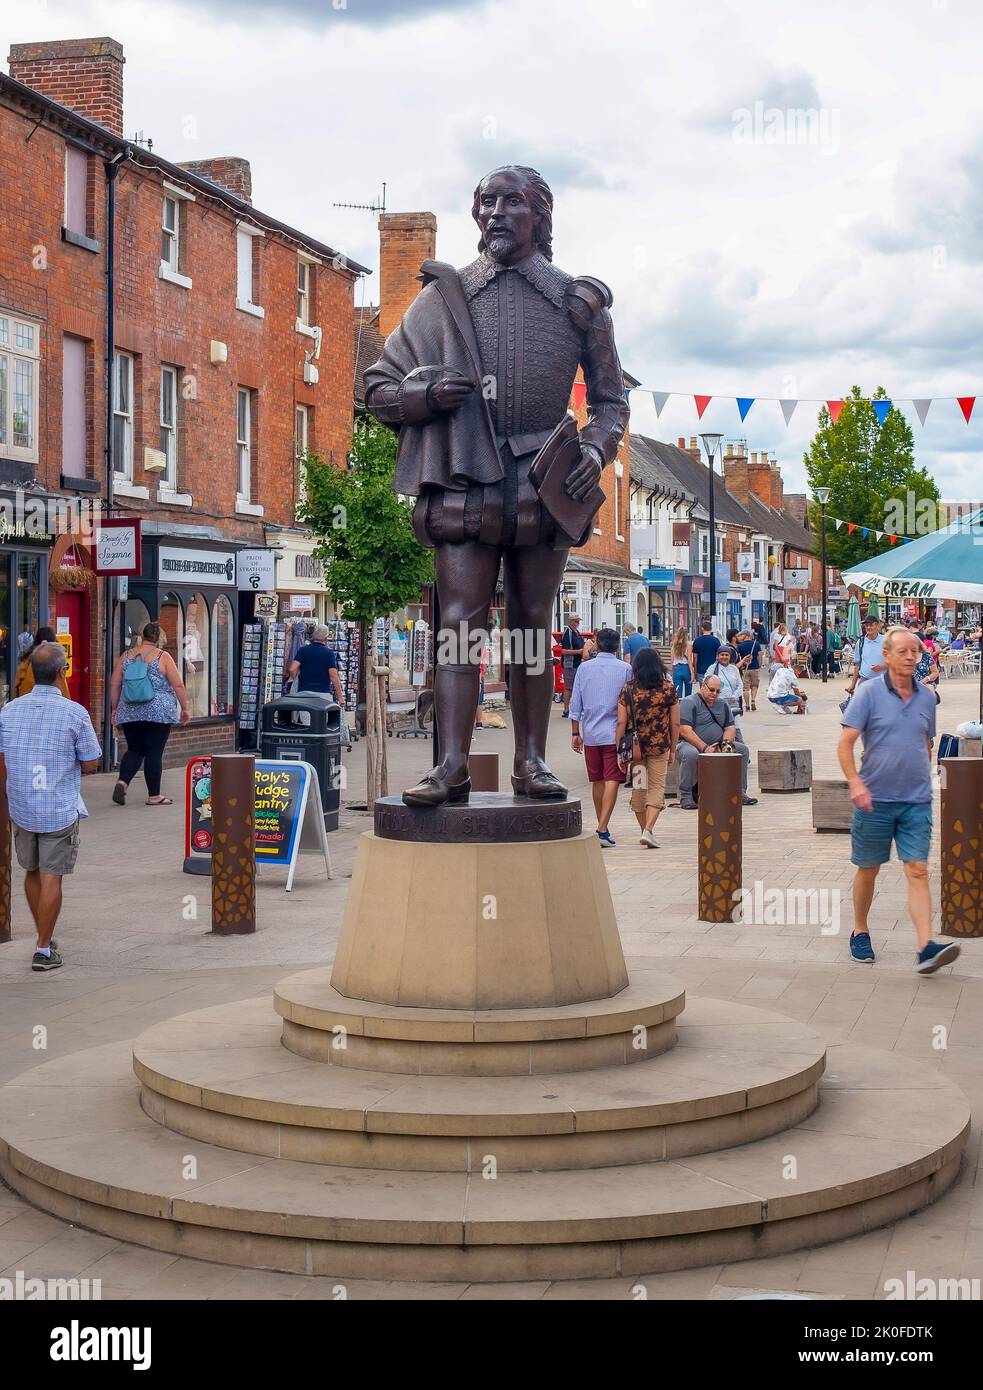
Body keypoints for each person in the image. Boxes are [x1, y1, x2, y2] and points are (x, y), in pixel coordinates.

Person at [365, 165, 629, 807]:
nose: (496, 213)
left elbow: (611, 402)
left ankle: (532, 760)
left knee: (534, 626)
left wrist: (595, 447)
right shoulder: (443, 299)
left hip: (544, 478)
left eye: (512, 202)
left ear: (539, 214)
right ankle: (453, 761)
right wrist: (422, 393)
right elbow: (375, 388)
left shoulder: (576, 304)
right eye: (486, 203)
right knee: (458, 622)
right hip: (466, 473)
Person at [838, 625, 960, 974]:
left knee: (918, 870)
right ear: (886, 655)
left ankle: (925, 947)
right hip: (874, 798)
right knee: (869, 868)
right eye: (903, 651)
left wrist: (926, 772)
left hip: (916, 799)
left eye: (915, 652)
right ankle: (860, 930)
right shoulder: (868, 694)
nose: (910, 657)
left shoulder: (926, 697)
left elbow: (926, 740)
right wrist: (855, 783)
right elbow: (845, 743)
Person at [0, 642, 101, 972]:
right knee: (51, 876)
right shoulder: (74, 712)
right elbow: (90, 763)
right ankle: (43, 949)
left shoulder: (9, 710)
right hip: (57, 805)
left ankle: (43, 935)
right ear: (62, 672)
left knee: (31, 870)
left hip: (22, 804)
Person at [109, 621, 190, 807]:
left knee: (135, 749)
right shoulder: (163, 656)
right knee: (154, 752)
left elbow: (114, 684)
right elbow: (178, 684)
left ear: (143, 635)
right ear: (159, 638)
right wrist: (184, 708)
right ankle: (154, 796)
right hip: (158, 711)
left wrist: (115, 708)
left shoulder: (126, 656)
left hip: (130, 710)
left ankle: (122, 782)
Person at [569, 628, 633, 847]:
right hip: (616, 732)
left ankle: (602, 824)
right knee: (613, 778)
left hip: (591, 731)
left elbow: (575, 702)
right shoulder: (626, 669)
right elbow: (630, 700)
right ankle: (602, 827)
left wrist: (575, 732)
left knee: (596, 779)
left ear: (596, 644)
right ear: (617, 646)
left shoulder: (584, 669)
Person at [615, 647, 678, 848]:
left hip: (636, 750)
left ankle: (645, 830)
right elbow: (675, 723)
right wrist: (674, 748)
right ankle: (648, 830)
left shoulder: (628, 689)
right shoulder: (668, 688)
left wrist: (620, 750)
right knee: (657, 786)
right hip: (660, 747)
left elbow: (621, 722)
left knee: (639, 787)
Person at [676, 673, 757, 810]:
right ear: (702, 687)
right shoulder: (689, 703)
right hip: (691, 744)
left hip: (718, 744)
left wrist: (723, 746)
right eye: (711, 690)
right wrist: (705, 747)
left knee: (742, 750)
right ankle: (686, 796)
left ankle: (739, 792)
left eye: (718, 691)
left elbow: (730, 727)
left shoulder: (722, 704)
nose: (714, 694)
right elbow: (685, 730)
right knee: (690, 754)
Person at [289, 623, 346, 704]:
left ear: (314, 635)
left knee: (306, 716)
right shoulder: (328, 653)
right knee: (322, 716)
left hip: (304, 693)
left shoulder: (303, 650)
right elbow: (333, 676)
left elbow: (292, 669)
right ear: (326, 638)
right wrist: (340, 697)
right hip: (323, 694)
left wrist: (296, 678)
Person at [13, 626, 70, 699]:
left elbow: (16, 686)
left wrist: (16, 701)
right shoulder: (57, 663)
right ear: (54, 641)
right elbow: (64, 691)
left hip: (27, 701)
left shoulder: (27, 661)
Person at [845, 615, 886, 695]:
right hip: (864, 681)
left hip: (882, 681)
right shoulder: (860, 642)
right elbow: (857, 665)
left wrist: (882, 667)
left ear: (878, 626)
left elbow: (894, 662)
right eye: (866, 625)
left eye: (871, 625)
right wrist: (853, 685)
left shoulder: (886, 641)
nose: (868, 627)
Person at [706, 646, 744, 726]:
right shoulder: (712, 669)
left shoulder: (734, 669)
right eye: (722, 655)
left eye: (726, 655)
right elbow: (705, 684)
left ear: (730, 656)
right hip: (717, 703)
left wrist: (734, 696)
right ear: (717, 656)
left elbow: (740, 685)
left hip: (733, 703)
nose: (724, 657)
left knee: (735, 727)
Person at [559, 615, 585, 717]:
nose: (577, 624)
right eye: (576, 621)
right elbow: (563, 651)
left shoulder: (577, 633)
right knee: (569, 687)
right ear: (570, 622)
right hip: (569, 664)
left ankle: (576, 708)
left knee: (577, 687)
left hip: (578, 663)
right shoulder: (567, 633)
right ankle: (566, 710)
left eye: (578, 621)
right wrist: (578, 651)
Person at [736, 627, 762, 710]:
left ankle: (747, 705)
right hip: (754, 667)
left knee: (745, 688)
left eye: (742, 634)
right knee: (754, 686)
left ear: (746, 635)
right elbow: (760, 655)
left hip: (744, 668)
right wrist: (759, 665)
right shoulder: (756, 644)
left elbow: (738, 657)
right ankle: (753, 700)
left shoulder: (739, 646)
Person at [690, 619, 720, 685]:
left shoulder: (697, 641)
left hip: (700, 670)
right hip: (713, 669)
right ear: (711, 628)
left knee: (703, 689)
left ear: (702, 628)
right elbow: (718, 656)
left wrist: (695, 671)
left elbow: (695, 657)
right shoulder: (716, 641)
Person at [670, 626, 692, 698]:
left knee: (677, 692)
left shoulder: (674, 645)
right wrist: (692, 673)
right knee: (688, 692)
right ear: (686, 635)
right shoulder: (688, 645)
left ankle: (679, 708)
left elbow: (672, 660)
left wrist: (672, 671)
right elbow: (689, 660)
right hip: (686, 669)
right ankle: (687, 707)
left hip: (676, 668)